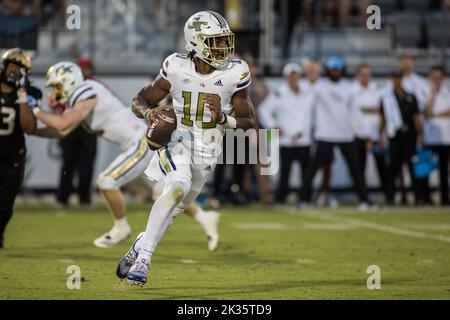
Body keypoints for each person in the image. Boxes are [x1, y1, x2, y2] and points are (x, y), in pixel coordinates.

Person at [118, 11, 255, 286]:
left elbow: (249, 123)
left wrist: (222, 119)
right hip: (177, 140)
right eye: (215, 42)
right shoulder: (175, 67)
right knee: (177, 185)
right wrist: (149, 115)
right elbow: (140, 99)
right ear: (196, 42)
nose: (222, 48)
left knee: (173, 210)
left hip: (208, 152)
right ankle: (144, 260)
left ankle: (137, 246)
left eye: (223, 41)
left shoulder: (234, 73)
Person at [32, 62, 220, 249]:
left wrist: (35, 110)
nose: (54, 93)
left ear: (69, 81)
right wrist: (33, 130)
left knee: (107, 181)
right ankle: (205, 218)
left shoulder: (85, 90)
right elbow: (62, 131)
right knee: (162, 192)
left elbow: (63, 123)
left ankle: (121, 227)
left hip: (140, 142)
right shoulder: (82, 96)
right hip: (137, 143)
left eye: (57, 86)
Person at [300, 56, 371, 210]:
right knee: (312, 169)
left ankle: (364, 201)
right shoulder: (319, 86)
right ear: (327, 71)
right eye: (333, 69)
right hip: (324, 134)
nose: (335, 72)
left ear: (342, 71)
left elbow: (354, 113)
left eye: (338, 69)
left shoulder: (349, 88)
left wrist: (365, 133)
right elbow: (306, 92)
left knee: (356, 170)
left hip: (346, 135)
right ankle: (304, 200)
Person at [0, 48, 40, 250]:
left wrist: (22, 95)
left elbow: (30, 128)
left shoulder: (30, 94)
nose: (13, 72)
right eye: (11, 66)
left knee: (5, 206)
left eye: (18, 68)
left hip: (12, 158)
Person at [259, 62, 314, 205]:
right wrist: (274, 126)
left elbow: (308, 115)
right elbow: (263, 110)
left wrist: (304, 132)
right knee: (285, 172)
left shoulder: (307, 93)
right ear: (286, 77)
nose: (293, 79)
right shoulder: (279, 93)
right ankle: (281, 198)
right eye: (291, 76)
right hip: (286, 140)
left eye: (296, 76)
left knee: (306, 173)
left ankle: (305, 198)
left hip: (304, 139)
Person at [54, 58, 98, 208]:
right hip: (71, 127)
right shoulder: (68, 85)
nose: (86, 71)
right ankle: (62, 198)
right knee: (68, 164)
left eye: (88, 68)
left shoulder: (95, 85)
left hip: (88, 128)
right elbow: (55, 102)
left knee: (87, 165)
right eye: (84, 68)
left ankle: (84, 198)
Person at [380, 70, 424, 206]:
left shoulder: (411, 97)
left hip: (409, 136)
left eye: (399, 78)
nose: (397, 81)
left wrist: (420, 135)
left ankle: (418, 197)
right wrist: (380, 135)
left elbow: (416, 117)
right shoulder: (387, 99)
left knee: (413, 167)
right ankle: (391, 198)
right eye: (394, 78)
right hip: (395, 136)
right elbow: (383, 119)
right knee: (393, 168)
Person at [351, 64, 388, 201]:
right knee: (359, 169)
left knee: (382, 167)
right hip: (358, 135)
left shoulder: (378, 90)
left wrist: (379, 134)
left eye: (368, 74)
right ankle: (363, 198)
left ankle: (389, 196)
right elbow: (353, 112)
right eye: (362, 74)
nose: (365, 77)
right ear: (358, 75)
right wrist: (372, 109)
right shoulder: (351, 91)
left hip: (376, 135)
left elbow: (383, 111)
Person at [422, 66, 450, 206]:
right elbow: (426, 113)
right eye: (434, 77)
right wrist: (432, 95)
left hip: (445, 137)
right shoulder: (425, 92)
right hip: (430, 137)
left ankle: (445, 198)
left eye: (439, 77)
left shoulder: (447, 92)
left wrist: (437, 114)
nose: (437, 80)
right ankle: (426, 198)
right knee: (426, 170)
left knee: (444, 170)